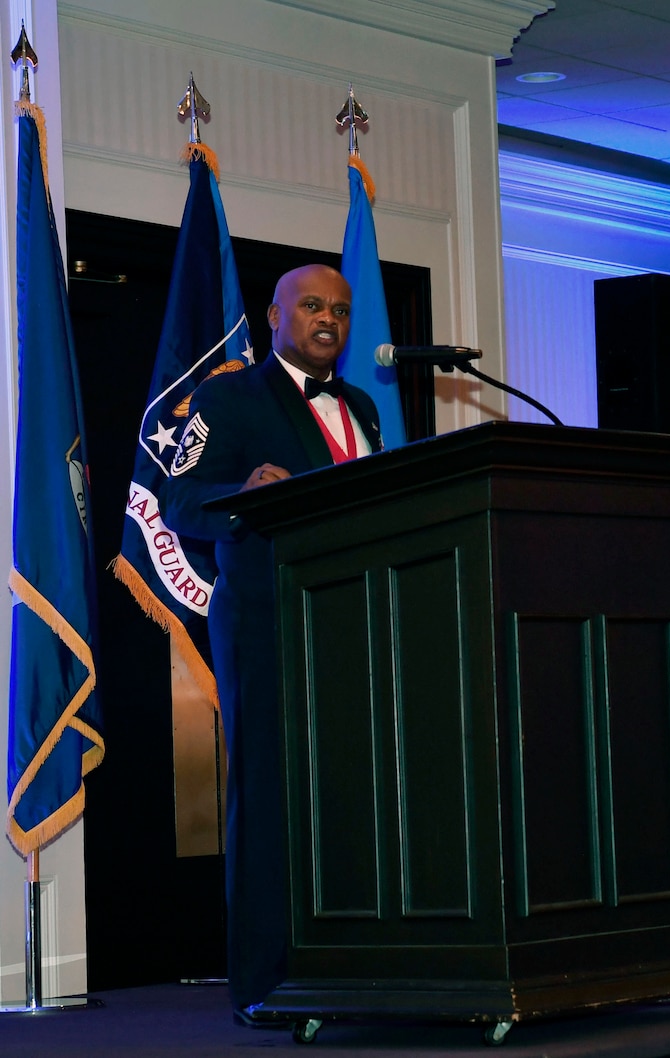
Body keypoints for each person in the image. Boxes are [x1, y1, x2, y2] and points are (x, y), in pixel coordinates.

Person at [160, 263, 384, 1016]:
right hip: (267, 619)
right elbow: (179, 497)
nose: (330, 320)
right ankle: (267, 982)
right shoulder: (228, 397)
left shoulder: (362, 408)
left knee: (355, 795)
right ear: (275, 314)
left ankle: (355, 961)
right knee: (270, 799)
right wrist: (245, 502)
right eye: (313, 306)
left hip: (355, 622)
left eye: (342, 311)